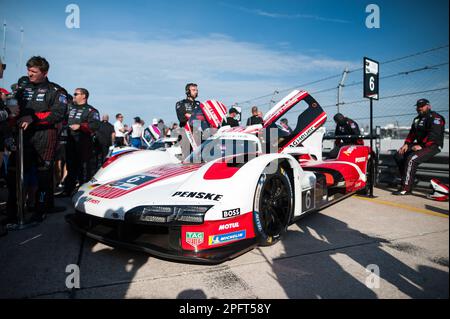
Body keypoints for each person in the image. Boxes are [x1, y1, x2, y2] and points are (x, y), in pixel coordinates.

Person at [7, 56, 67, 223]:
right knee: (13, 174)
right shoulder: (22, 89)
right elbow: (13, 110)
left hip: (45, 138)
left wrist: (32, 118)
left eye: (34, 71)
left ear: (45, 73)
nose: (30, 74)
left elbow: (58, 114)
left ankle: (40, 211)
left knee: (43, 177)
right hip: (22, 137)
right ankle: (12, 212)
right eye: (28, 70)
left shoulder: (56, 90)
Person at [393, 98, 445, 195]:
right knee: (398, 155)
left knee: (411, 159)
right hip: (420, 145)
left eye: (422, 106)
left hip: (433, 146)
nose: (419, 108)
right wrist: (406, 144)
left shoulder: (436, 117)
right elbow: (412, 134)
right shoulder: (417, 119)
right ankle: (408, 179)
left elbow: (434, 135)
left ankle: (406, 188)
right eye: (418, 106)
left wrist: (422, 146)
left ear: (428, 106)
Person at [62, 88, 100, 197]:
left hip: (83, 143)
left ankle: (83, 192)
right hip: (69, 141)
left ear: (84, 96)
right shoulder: (69, 108)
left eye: (76, 94)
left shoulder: (91, 111)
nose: (73, 96)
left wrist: (81, 126)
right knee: (70, 166)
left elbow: (95, 125)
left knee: (83, 168)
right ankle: (67, 190)